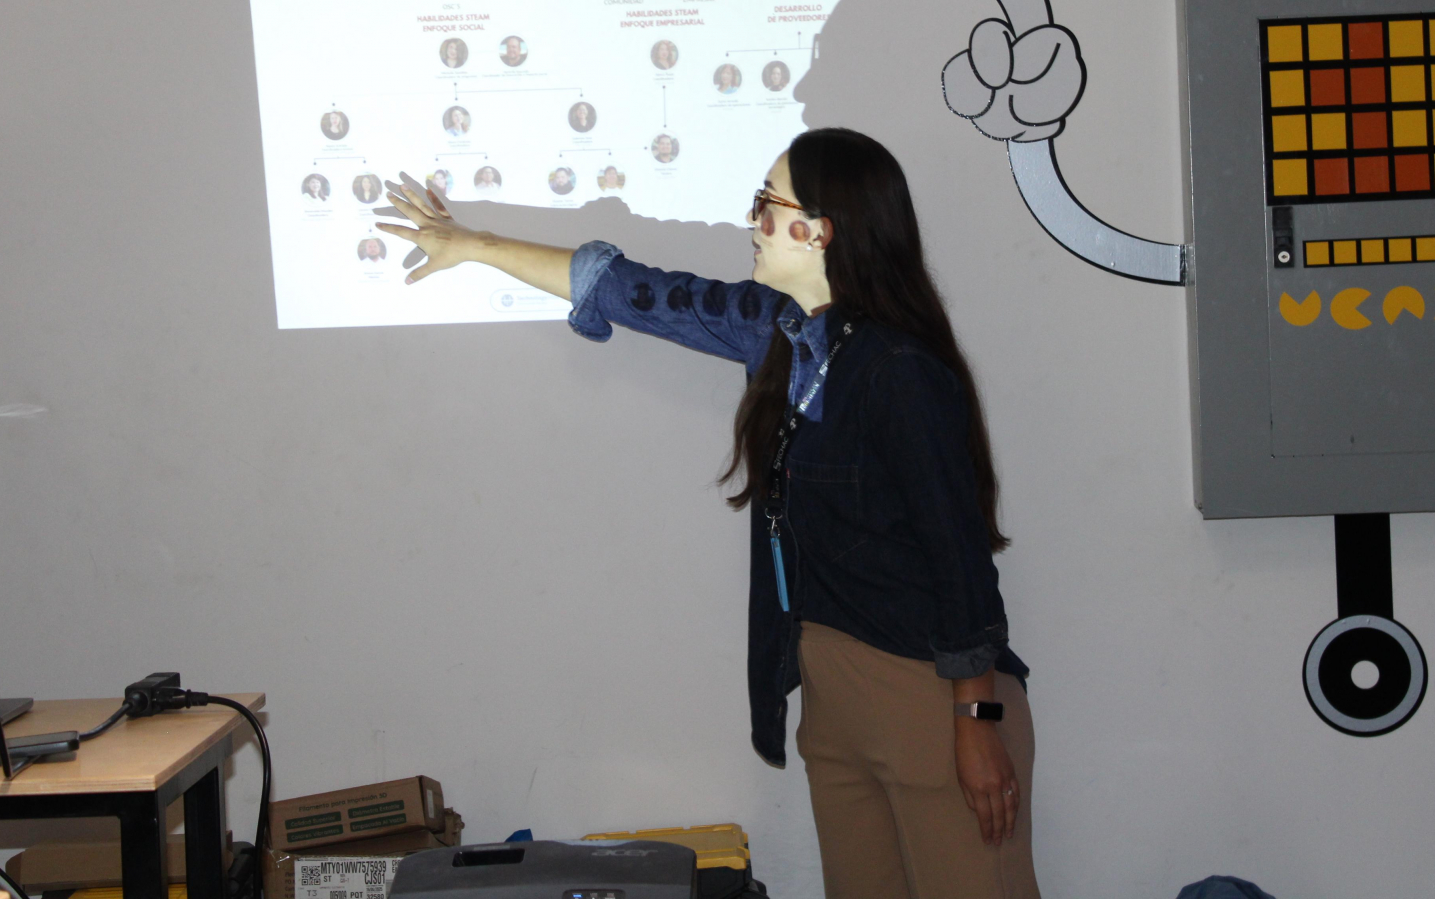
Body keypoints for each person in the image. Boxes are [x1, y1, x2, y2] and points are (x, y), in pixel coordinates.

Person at [375, 129, 1038, 899]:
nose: (752, 220)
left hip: (931, 695)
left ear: (820, 231)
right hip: (834, 695)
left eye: (766, 203)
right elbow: (627, 289)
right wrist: (471, 244)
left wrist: (976, 719)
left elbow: (959, 559)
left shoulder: (899, 371)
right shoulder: (778, 332)